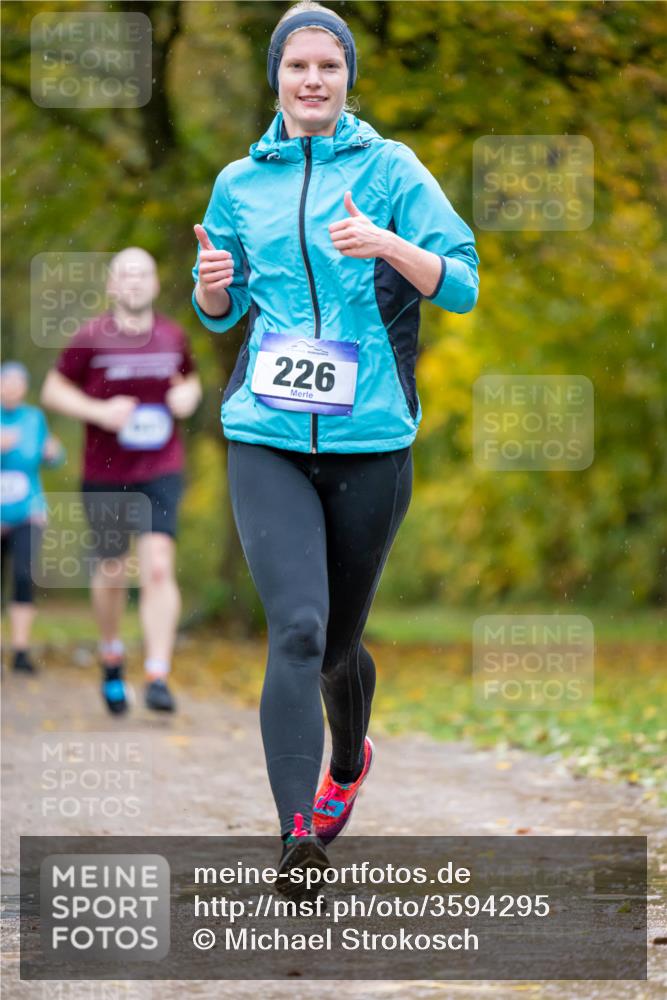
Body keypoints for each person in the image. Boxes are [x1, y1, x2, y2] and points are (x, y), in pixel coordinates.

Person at [192, 0, 478, 889]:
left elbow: (461, 284)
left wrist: (388, 243)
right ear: (275, 78)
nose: (312, 80)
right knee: (299, 631)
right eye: (296, 67)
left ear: (347, 77)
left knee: (342, 645)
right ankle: (294, 840)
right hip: (265, 434)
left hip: (370, 441)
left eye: (328, 66)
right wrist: (209, 288)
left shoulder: (391, 168)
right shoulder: (240, 182)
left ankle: (348, 760)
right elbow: (224, 306)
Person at [41, 248, 202, 714]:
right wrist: (99, 412)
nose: (134, 282)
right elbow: (53, 390)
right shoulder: (90, 338)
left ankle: (157, 673)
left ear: (154, 284)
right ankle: (112, 654)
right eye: (125, 275)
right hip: (105, 473)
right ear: (112, 286)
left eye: (143, 274)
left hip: (161, 467)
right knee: (113, 570)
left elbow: (188, 382)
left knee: (156, 565)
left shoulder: (172, 335)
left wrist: (187, 397)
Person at [1, 361, 64, 674]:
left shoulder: (33, 418)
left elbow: (49, 455)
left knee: (24, 577)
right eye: (6, 382)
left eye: (16, 382)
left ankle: (21, 651)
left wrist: (54, 453)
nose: (11, 387)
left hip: (27, 510)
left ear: (24, 387)